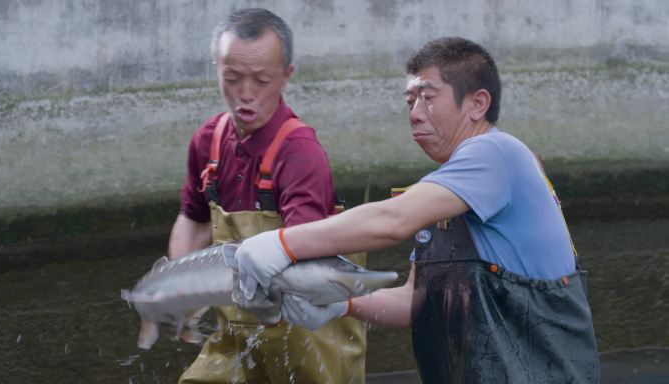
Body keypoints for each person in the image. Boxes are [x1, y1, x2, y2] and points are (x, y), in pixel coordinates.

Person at [235, 37, 600, 383]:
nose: (414, 114)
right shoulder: (450, 187)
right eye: (409, 101)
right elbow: (415, 301)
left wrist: (280, 243)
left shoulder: (494, 153)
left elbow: (391, 220)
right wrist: (342, 304)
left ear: (477, 104)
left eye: (427, 98)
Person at [168, 8, 366, 384]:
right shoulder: (207, 142)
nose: (245, 94)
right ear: (216, 70)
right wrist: (180, 294)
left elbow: (302, 254)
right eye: (232, 78)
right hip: (238, 338)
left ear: (286, 75)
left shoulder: (300, 153)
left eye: (261, 80)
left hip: (309, 335)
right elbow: (193, 221)